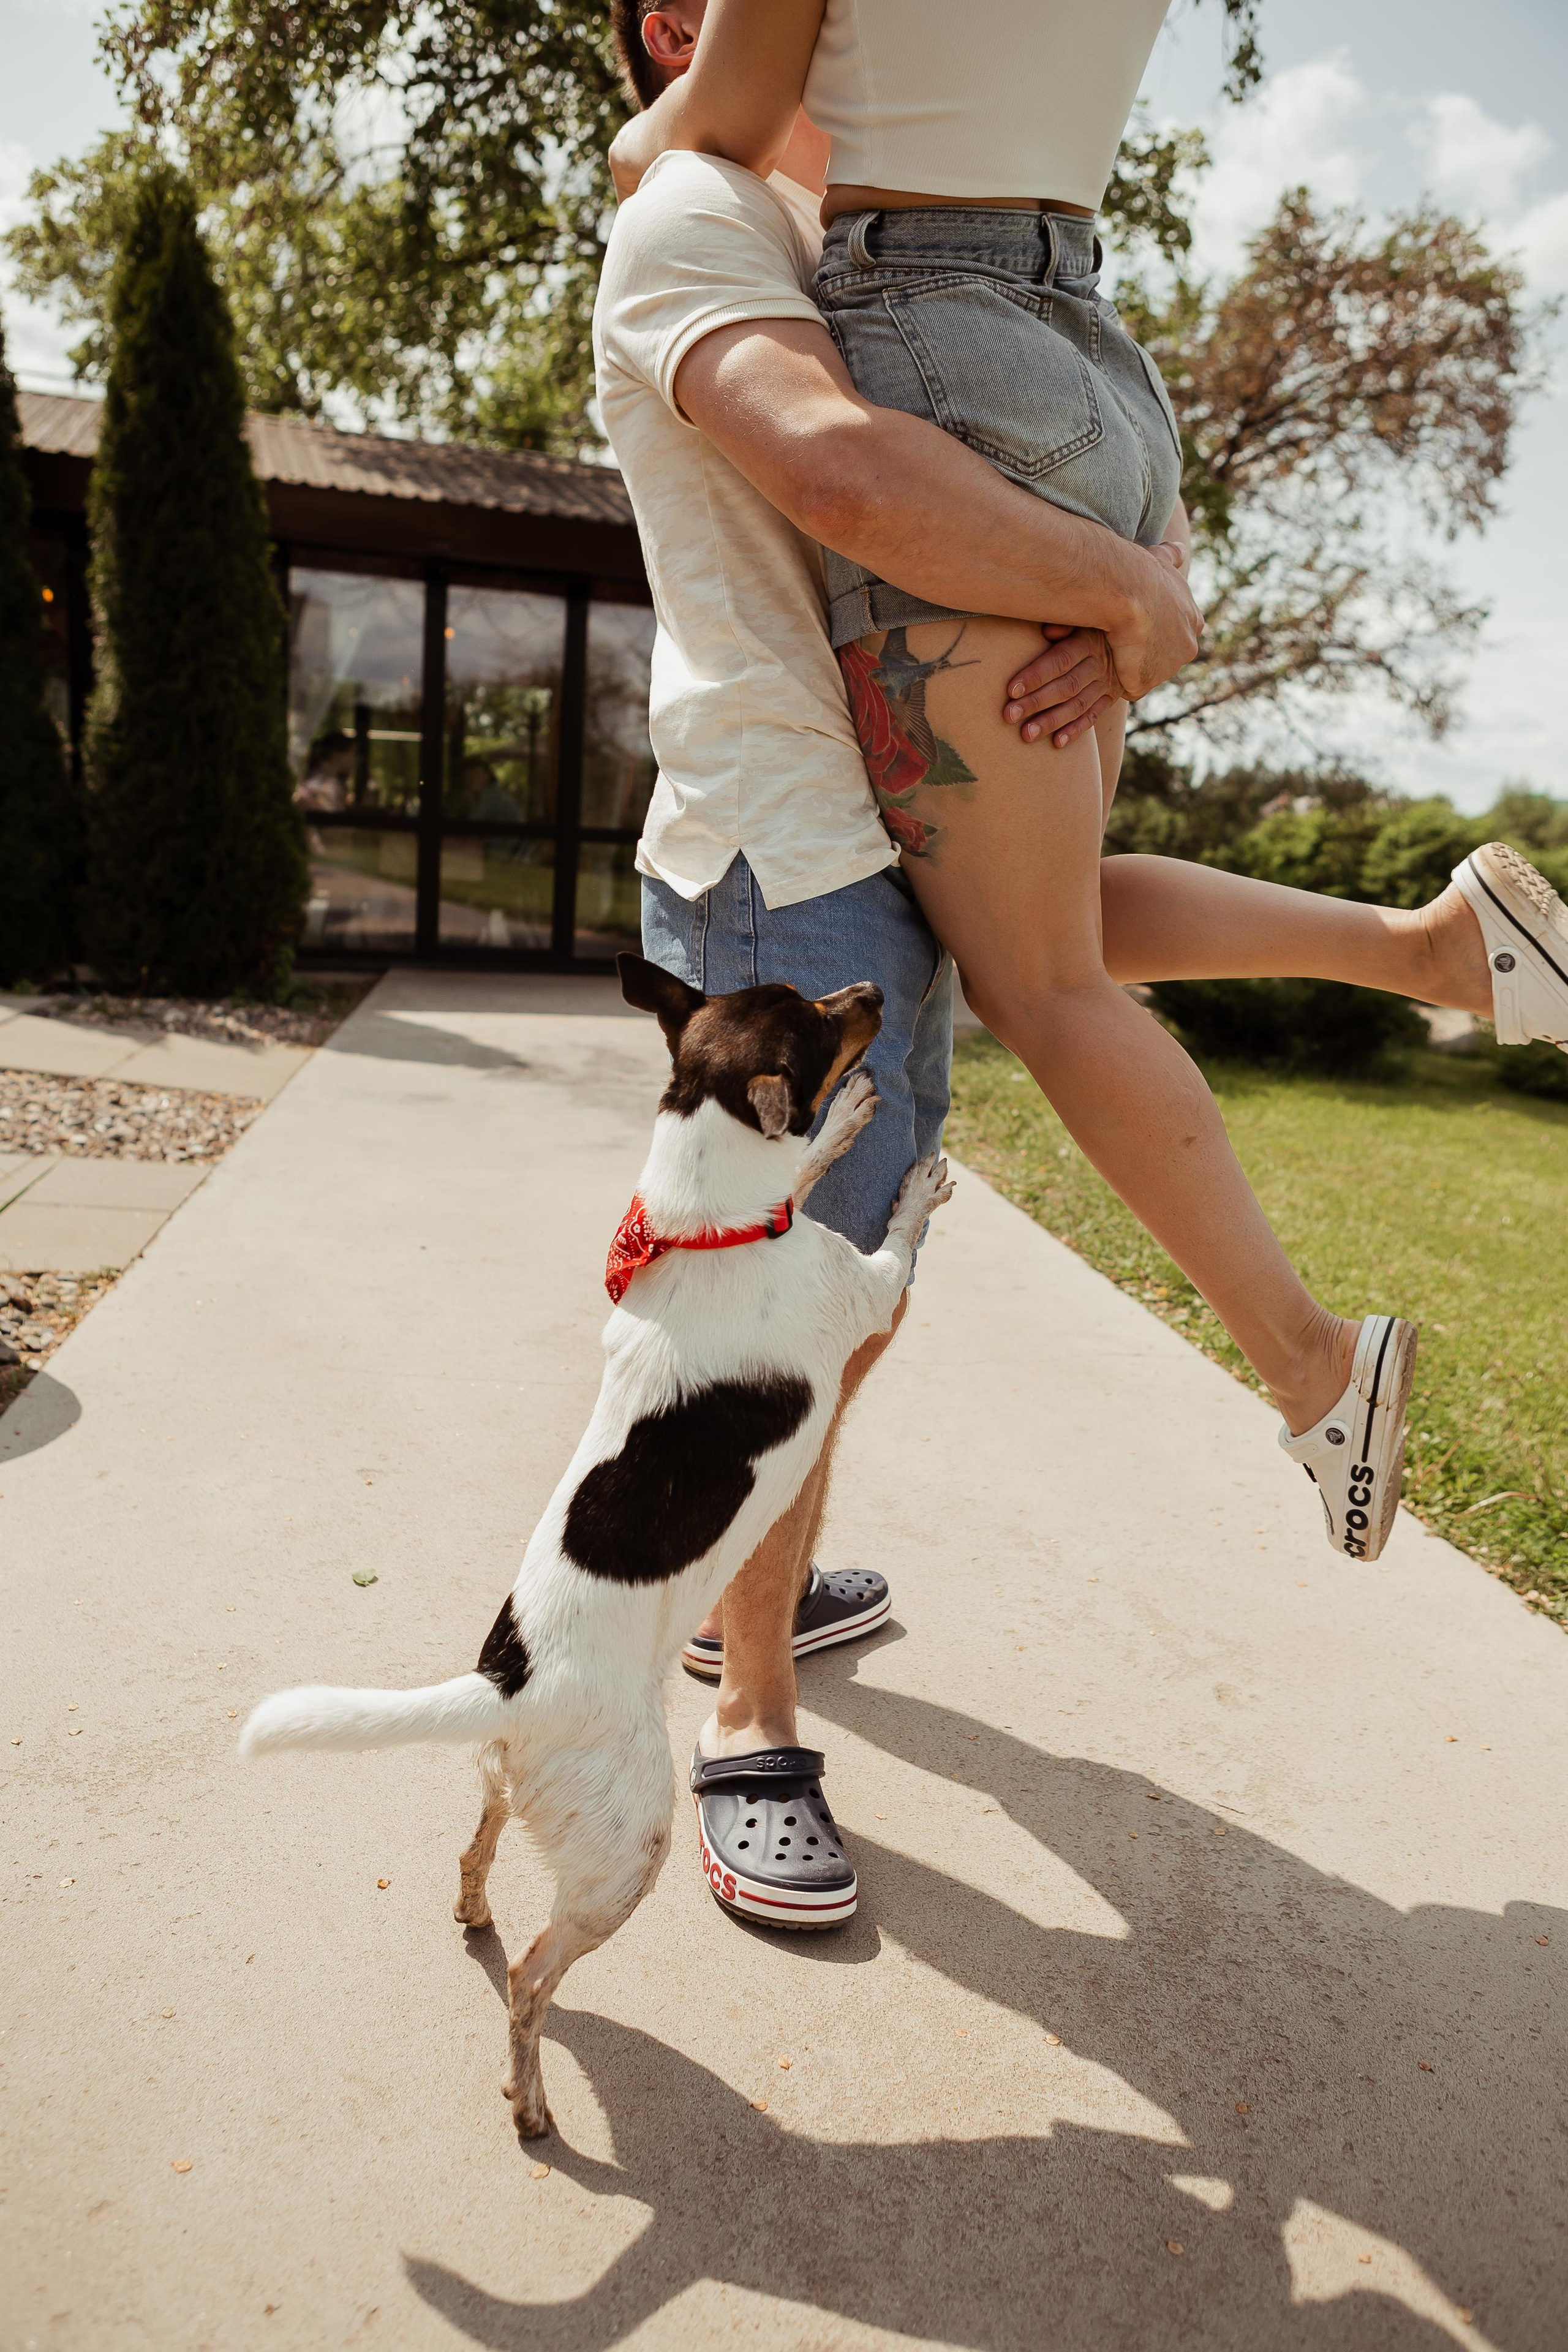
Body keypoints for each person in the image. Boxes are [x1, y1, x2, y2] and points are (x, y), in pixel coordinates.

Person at [609, 0, 1568, 1569]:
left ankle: (1315, 1364)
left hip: (942, 345)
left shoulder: (728, 201)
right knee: (1034, 924)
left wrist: (640, 130)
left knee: (1042, 979)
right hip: (1100, 364)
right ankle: (1429, 953)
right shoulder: (758, 227)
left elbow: (712, 126)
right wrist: (1134, 574)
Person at [597, 0, 1204, 1928]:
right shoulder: (692, 216)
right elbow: (854, 484)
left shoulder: (868, 249)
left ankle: (747, 1571)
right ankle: (749, 1715)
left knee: (855, 1295)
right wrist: (1117, 591)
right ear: (686, 45)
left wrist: (1118, 611)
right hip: (789, 844)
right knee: (778, 1315)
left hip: (881, 814)